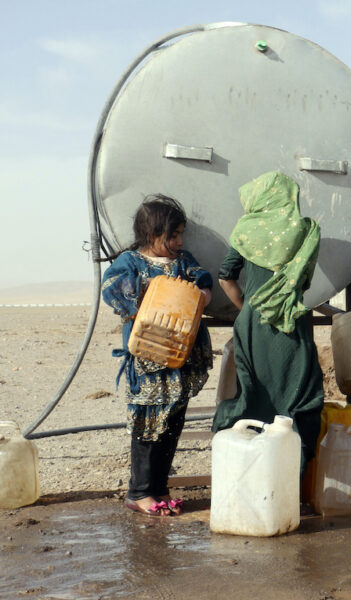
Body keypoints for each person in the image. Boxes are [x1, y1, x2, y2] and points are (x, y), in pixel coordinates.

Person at [101, 194, 213, 516]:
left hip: (179, 357)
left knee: (171, 423)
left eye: (180, 235)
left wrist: (202, 293)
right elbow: (113, 290)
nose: (179, 242)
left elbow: (202, 282)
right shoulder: (130, 262)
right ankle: (139, 493)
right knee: (147, 423)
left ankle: (160, 490)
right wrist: (150, 291)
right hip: (149, 360)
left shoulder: (184, 262)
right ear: (152, 236)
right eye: (173, 236)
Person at [211, 171, 325, 482]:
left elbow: (225, 276)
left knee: (253, 395)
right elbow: (304, 281)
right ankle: (292, 482)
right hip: (292, 327)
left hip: (252, 328)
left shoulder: (245, 231)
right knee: (299, 398)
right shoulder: (306, 230)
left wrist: (248, 308)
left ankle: (248, 476)